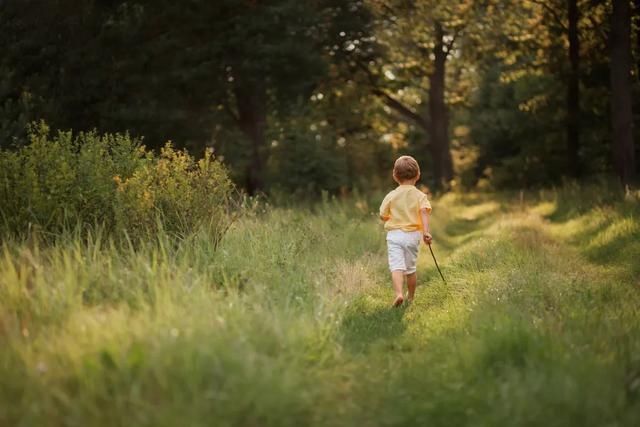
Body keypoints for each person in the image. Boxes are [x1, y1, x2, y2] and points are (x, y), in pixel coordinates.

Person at [379, 155, 433, 307]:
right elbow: (424, 213)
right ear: (418, 175)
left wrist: (391, 217)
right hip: (412, 236)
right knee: (410, 269)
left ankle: (398, 294)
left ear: (395, 176)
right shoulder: (420, 196)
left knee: (396, 267)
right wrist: (426, 232)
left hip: (395, 235)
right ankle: (411, 299)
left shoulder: (391, 195)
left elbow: (383, 215)